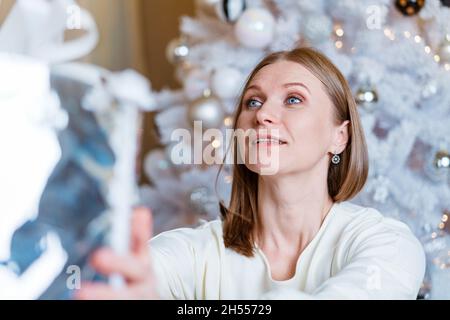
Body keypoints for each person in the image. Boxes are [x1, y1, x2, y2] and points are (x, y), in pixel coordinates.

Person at [76, 47, 426, 300]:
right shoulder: (193, 252)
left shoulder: (387, 245)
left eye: (293, 100)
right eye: (253, 102)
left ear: (340, 136)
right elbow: (141, 277)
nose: (262, 116)